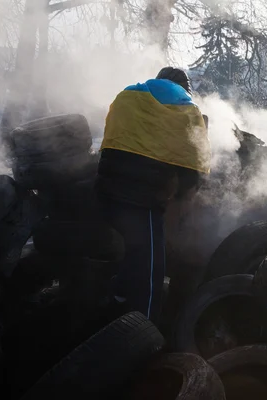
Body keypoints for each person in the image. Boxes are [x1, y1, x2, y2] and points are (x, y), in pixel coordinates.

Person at [95, 66, 210, 323]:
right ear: (185, 89)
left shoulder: (128, 96)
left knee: (124, 255)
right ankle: (143, 334)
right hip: (140, 202)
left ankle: (113, 304)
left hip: (104, 191)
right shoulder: (186, 108)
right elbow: (193, 169)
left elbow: (110, 143)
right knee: (149, 272)